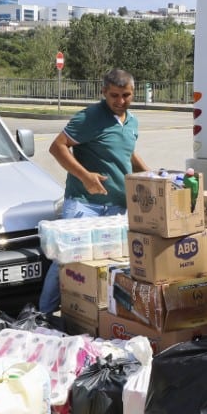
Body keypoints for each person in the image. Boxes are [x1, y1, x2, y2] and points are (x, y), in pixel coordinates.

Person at [38, 68, 150, 314]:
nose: (120, 101)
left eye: (126, 95)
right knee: (66, 261)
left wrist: (152, 177)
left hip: (117, 207)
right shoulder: (89, 117)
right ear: (103, 93)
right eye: (114, 96)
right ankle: (42, 316)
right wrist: (85, 176)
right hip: (84, 205)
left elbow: (126, 153)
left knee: (111, 266)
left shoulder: (132, 122)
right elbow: (57, 147)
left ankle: (95, 318)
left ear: (134, 93)